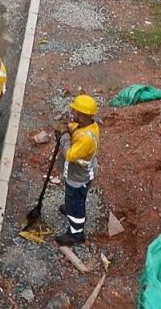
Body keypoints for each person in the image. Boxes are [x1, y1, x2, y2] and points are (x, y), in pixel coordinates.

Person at [54, 94, 101, 246]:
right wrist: (66, 127)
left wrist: (64, 136)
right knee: (72, 199)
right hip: (76, 175)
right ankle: (70, 208)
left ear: (81, 116)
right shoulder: (87, 126)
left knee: (76, 203)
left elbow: (70, 154)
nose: (71, 113)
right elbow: (74, 129)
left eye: (74, 112)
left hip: (78, 178)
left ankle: (76, 233)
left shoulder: (86, 139)